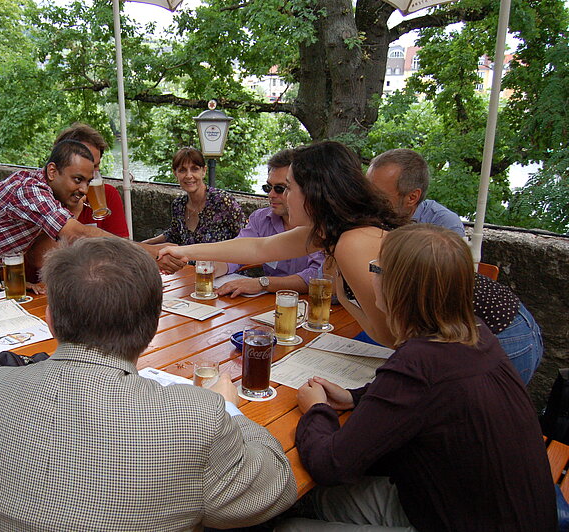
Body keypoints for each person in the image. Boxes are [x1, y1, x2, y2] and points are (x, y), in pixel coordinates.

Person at [0, 237, 297, 531]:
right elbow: (274, 490)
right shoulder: (197, 419)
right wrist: (229, 408)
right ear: (153, 326)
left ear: (50, 320)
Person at [281, 224, 555, 531]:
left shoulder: (419, 362)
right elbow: (427, 395)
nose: (370, 277)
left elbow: (331, 465)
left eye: (376, 268)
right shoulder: (474, 332)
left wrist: (316, 409)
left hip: (459, 520)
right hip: (471, 504)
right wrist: (355, 397)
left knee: (289, 527)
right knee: (313, 500)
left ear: (397, 286)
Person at [160, 141, 408, 347]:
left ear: (314, 192)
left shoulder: (352, 243)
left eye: (288, 188)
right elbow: (258, 248)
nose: (280, 196)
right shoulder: (330, 233)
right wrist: (181, 251)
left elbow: (392, 336)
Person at [0, 140, 182, 302]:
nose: (83, 189)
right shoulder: (29, 190)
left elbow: (39, 253)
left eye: (88, 181)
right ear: (52, 171)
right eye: (77, 179)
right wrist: (150, 252)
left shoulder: (53, 198)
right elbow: (77, 235)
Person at [215, 149, 324, 297]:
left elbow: (317, 277)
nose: (271, 195)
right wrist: (214, 268)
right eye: (268, 187)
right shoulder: (261, 218)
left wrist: (262, 283)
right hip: (271, 303)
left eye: (281, 189)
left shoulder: (322, 226)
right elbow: (239, 252)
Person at [143, 147, 246, 245]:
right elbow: (174, 235)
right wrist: (143, 244)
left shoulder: (222, 201)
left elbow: (246, 237)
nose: (188, 176)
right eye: (182, 170)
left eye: (194, 169)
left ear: (204, 171)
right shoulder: (178, 205)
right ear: (175, 173)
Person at [366, 148, 465, 236]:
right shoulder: (366, 216)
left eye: (378, 196)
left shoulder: (445, 225)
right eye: (367, 191)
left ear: (412, 197)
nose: (369, 201)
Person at [54, 122, 129, 237]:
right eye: (83, 166)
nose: (92, 174)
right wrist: (74, 211)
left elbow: (122, 245)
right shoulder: (43, 199)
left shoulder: (108, 194)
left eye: (95, 166)